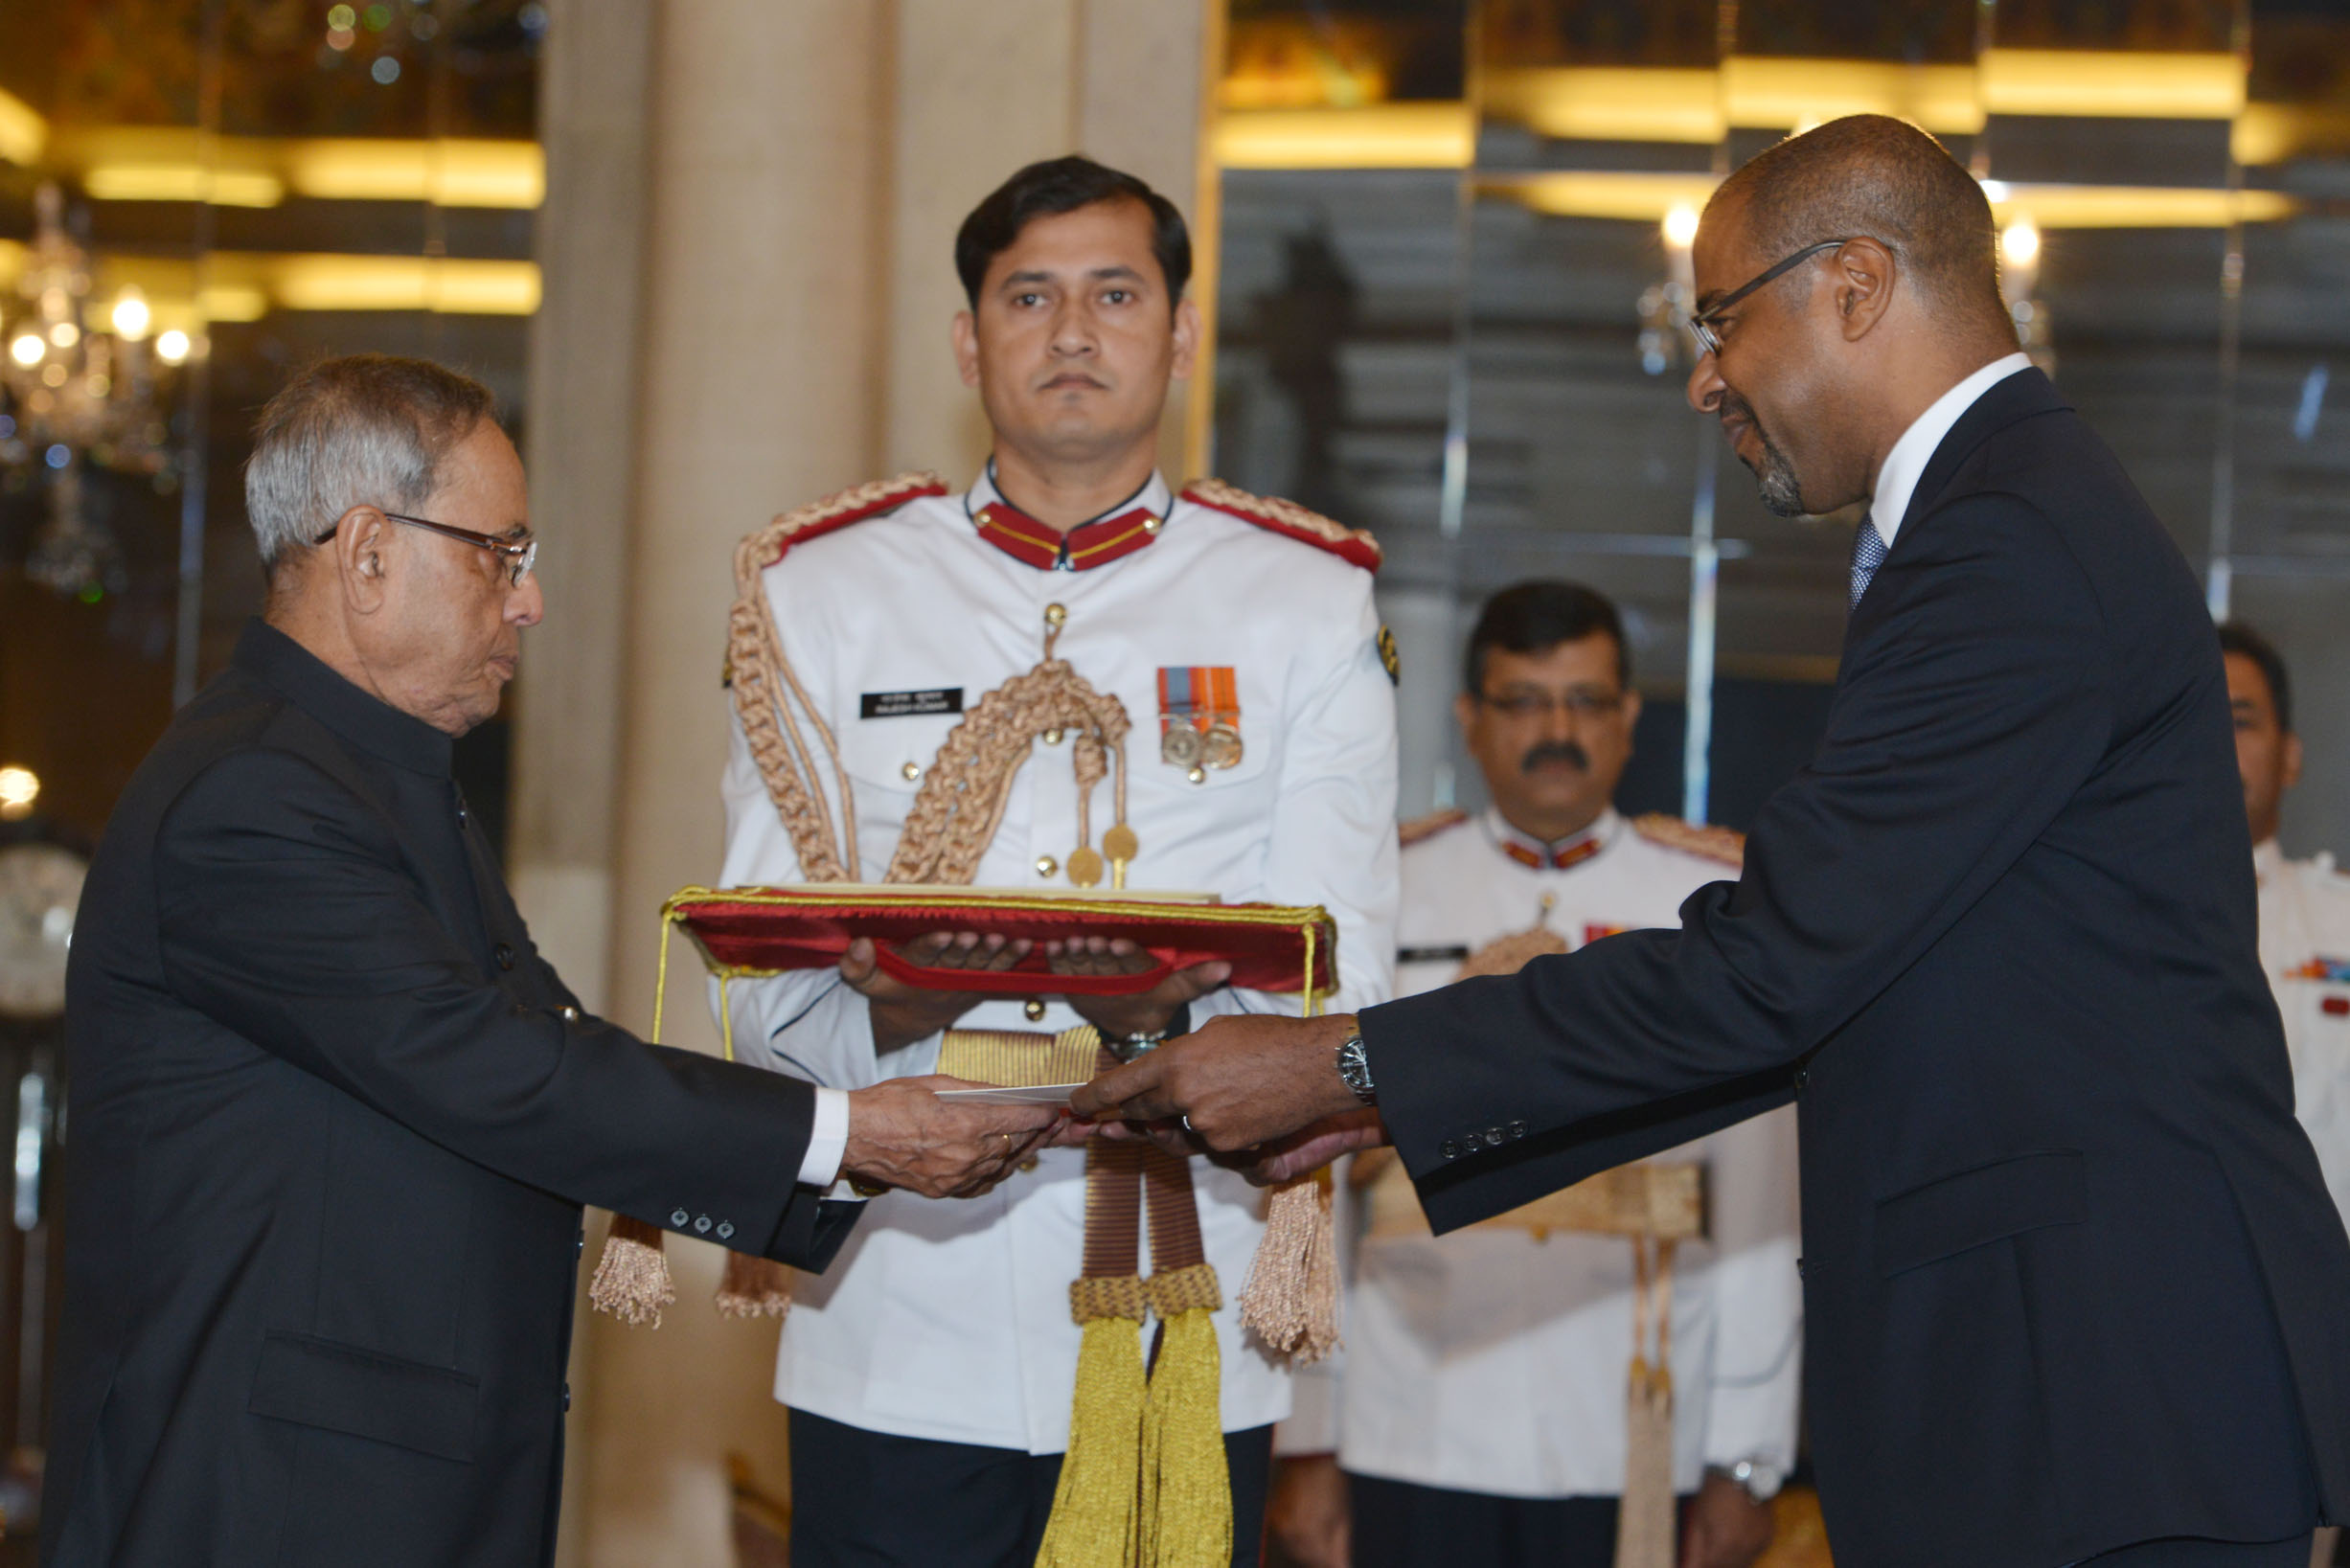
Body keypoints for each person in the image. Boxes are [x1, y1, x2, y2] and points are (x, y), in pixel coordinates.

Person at [1077, 115, 2350, 1567]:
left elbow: (1773, 971)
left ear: (1855, 285)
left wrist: (1347, 1060)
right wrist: (1374, 1089)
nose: (1704, 378)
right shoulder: (2006, 515)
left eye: (1723, 320)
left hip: (2092, 1391)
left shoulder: (2004, 539)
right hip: (2067, 1379)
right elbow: (1829, 986)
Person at [46, 355, 1060, 1567]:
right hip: (271, 1491)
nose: (529, 601)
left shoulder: (364, 770)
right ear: (367, 552)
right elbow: (492, 1069)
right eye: (500, 553)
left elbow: (547, 1049)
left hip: (365, 1471)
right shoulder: (256, 793)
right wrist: (846, 1132)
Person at [716, 157, 1397, 1567]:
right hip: (898, 1296)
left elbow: (1348, 968)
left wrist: (1171, 1030)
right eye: (1028, 296)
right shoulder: (820, 589)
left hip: (1178, 1274)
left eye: (1114, 294)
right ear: (968, 340)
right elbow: (760, 979)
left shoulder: (1304, 601)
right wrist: (893, 1006)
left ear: (1181, 334)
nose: (1071, 332)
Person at [1267, 581, 1799, 1568]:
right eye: (1521, 701)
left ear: (1628, 715)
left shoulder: (1705, 901)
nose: (1556, 730)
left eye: (1585, 700)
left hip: (1634, 1416)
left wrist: (1744, 1451)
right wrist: (1307, 1432)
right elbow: (1315, 1184)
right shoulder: (1386, 891)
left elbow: (1762, 1193)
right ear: (1468, 718)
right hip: (1410, 1414)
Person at [2224, 622, 2350, 1222]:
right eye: (2191, 719)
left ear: (2291, 756)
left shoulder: (2341, 921)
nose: (2214, 741)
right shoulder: (2101, 927)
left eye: (2240, 720)